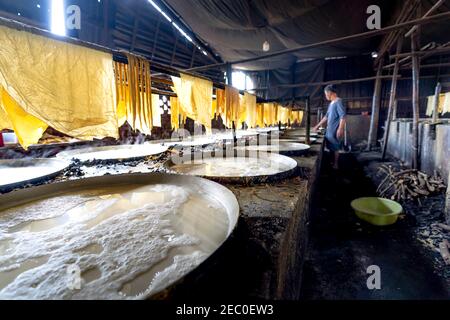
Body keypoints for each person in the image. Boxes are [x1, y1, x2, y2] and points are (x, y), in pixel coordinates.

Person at [313, 84, 346, 169]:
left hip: (335, 129)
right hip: (330, 130)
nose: (325, 96)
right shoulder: (331, 103)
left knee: (335, 147)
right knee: (331, 146)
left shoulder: (339, 101)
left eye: (325, 94)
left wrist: (340, 128)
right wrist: (317, 125)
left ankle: (336, 164)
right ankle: (332, 161)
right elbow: (326, 116)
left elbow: (343, 116)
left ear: (329, 93)